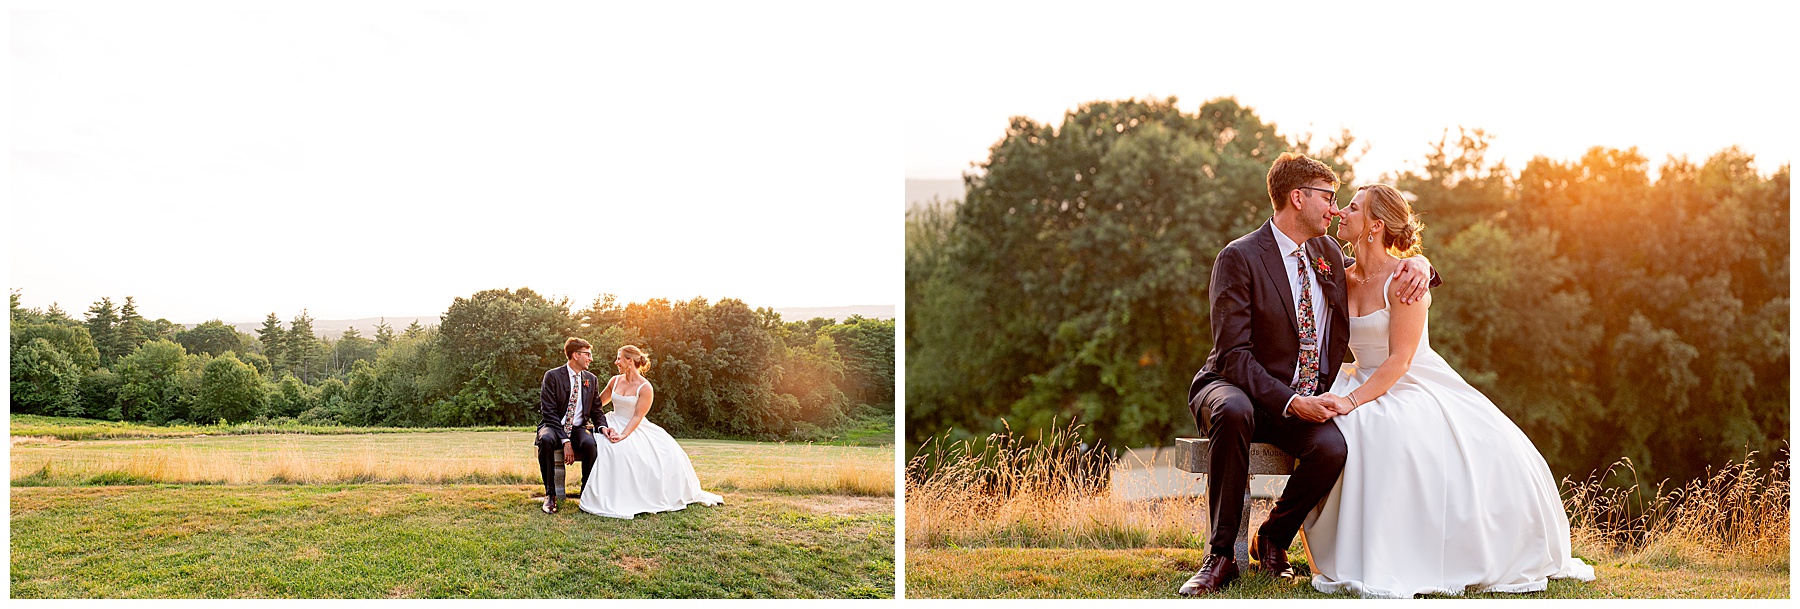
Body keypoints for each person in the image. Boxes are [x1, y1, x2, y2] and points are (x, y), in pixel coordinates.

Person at [1301, 184, 1595, 597]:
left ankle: (1405, 554)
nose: (1341, 213)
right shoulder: (1338, 274)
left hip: (1408, 382)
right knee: (1337, 434)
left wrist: (1351, 401)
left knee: (1380, 432)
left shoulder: (1405, 279)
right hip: (1358, 375)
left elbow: (1400, 362)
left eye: (1353, 207)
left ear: (1375, 225)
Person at [1180, 152, 1436, 596]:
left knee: (1332, 448)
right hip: (1232, 385)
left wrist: (1423, 265)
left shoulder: (1328, 253)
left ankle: (1274, 538)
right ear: (1297, 198)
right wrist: (1291, 401)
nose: (1334, 209)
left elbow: (1380, 272)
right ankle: (1220, 557)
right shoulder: (1239, 257)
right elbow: (1233, 354)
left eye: (1340, 201)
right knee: (1236, 410)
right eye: (1327, 198)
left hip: (1301, 394)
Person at [578, 345, 723, 519]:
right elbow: (596, 405)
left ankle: (629, 495)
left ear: (629, 361)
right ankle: (597, 491)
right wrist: (581, 420)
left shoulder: (645, 388)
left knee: (625, 450)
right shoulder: (614, 381)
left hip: (633, 426)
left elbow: (638, 417)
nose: (616, 362)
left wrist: (623, 435)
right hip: (612, 421)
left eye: (619, 358)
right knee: (605, 446)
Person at [535, 338, 609, 514]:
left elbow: (597, 410)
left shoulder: (591, 379)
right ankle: (550, 495)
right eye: (587, 354)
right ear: (575, 355)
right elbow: (549, 412)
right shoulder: (552, 376)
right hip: (553, 425)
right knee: (545, 440)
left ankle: (586, 494)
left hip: (578, 427)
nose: (590, 358)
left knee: (590, 444)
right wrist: (565, 440)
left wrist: (603, 427)